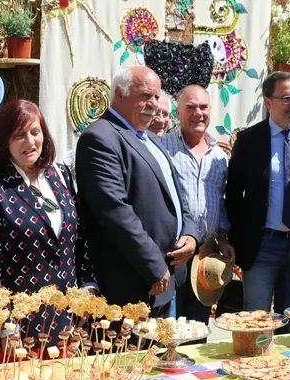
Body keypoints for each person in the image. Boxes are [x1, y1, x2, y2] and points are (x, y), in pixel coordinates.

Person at [75, 66, 200, 316]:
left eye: (156, 96)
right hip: (134, 281)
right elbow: (115, 212)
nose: (153, 104)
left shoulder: (151, 138)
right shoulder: (100, 139)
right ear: (119, 95)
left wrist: (190, 234)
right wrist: (154, 265)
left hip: (167, 274)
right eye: (145, 95)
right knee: (134, 354)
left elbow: (176, 196)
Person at [0, 100, 96, 338]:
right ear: (4, 140)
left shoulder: (59, 174)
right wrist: (4, 323)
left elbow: (81, 237)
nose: (30, 141)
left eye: (35, 132)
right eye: (19, 135)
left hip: (70, 315)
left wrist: (88, 289)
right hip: (21, 322)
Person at [225, 71, 290, 329]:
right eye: (287, 98)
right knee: (255, 317)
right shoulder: (249, 140)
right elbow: (234, 194)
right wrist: (238, 238)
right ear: (268, 102)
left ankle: (283, 368)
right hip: (263, 246)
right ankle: (252, 366)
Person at [162, 84, 234, 322]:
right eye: (190, 107)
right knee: (170, 325)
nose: (198, 113)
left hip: (206, 255)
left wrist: (223, 237)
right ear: (178, 112)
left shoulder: (218, 155)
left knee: (198, 325)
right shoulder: (164, 148)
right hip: (175, 251)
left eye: (203, 107)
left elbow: (222, 200)